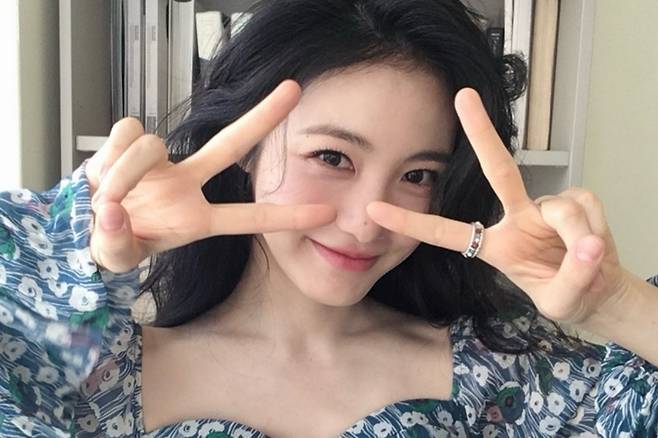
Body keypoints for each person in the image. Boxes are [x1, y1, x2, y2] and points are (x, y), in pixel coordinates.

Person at [0, 0, 656, 436]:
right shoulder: (89, 381)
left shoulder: (508, 381)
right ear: (245, 146)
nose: (369, 222)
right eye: (333, 157)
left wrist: (614, 303)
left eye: (418, 176)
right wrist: (69, 237)